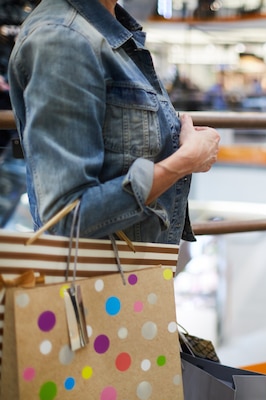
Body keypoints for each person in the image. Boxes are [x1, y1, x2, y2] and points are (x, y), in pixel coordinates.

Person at [8, 0, 220, 244]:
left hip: (133, 272)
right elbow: (66, 218)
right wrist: (185, 161)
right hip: (105, 276)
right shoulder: (63, 39)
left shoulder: (105, 32)